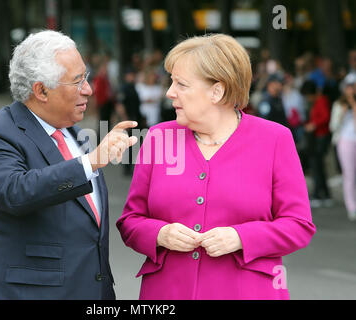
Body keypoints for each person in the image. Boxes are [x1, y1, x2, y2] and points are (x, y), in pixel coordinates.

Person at [116, 34, 316, 300]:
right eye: (171, 82)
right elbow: (130, 221)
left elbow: (299, 225)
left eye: (181, 84)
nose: (169, 92)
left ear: (217, 91)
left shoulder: (274, 139)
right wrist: (160, 234)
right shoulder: (159, 137)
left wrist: (240, 237)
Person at [0, 30, 137, 300]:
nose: (89, 89)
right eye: (77, 81)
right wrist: (90, 162)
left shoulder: (73, 131)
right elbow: (14, 192)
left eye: (87, 76)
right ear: (41, 90)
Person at [301, 80, 333, 208]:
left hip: (320, 137)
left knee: (316, 166)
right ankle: (324, 193)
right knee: (317, 166)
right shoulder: (318, 101)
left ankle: (319, 194)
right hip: (318, 137)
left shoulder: (321, 100)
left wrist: (313, 125)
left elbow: (325, 117)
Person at [329, 74, 356, 221]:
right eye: (348, 87)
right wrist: (343, 113)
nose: (350, 90)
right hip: (345, 141)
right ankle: (352, 207)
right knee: (349, 174)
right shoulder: (339, 105)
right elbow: (333, 126)